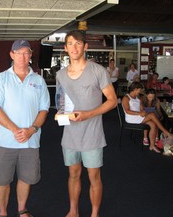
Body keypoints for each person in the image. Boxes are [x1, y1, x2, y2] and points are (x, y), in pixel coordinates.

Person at [55, 30, 117, 217]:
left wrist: (89, 114)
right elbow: (62, 103)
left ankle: (94, 214)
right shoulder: (60, 75)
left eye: (78, 43)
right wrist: (60, 113)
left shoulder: (98, 71)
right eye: (70, 44)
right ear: (65, 48)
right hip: (70, 135)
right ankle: (73, 210)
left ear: (85, 46)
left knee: (94, 176)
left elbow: (113, 100)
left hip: (92, 134)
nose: (74, 47)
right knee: (73, 174)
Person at [0, 39, 50, 217]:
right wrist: (15, 130)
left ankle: (22, 209)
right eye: (19, 52)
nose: (22, 56)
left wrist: (32, 129)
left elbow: (44, 109)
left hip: (30, 141)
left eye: (26, 52)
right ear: (12, 55)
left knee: (26, 178)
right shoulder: (1, 79)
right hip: (5, 141)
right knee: (2, 180)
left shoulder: (39, 81)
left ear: (31, 55)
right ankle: (2, 212)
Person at [122, 82, 173, 153]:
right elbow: (127, 111)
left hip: (138, 116)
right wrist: (140, 113)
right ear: (135, 89)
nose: (140, 92)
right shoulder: (126, 98)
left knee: (153, 123)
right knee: (152, 115)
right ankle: (166, 133)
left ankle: (152, 146)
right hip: (131, 118)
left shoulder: (138, 98)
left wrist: (143, 112)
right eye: (139, 90)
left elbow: (142, 108)